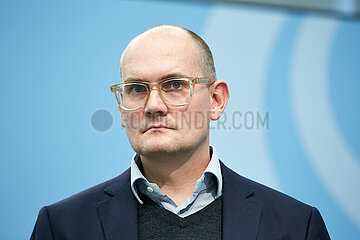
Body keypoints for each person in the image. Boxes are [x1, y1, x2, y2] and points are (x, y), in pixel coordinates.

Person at [31, 25, 330, 240]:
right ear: (122, 109)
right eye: (136, 89)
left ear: (216, 100)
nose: (154, 105)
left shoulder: (296, 225)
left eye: (175, 85)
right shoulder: (61, 226)